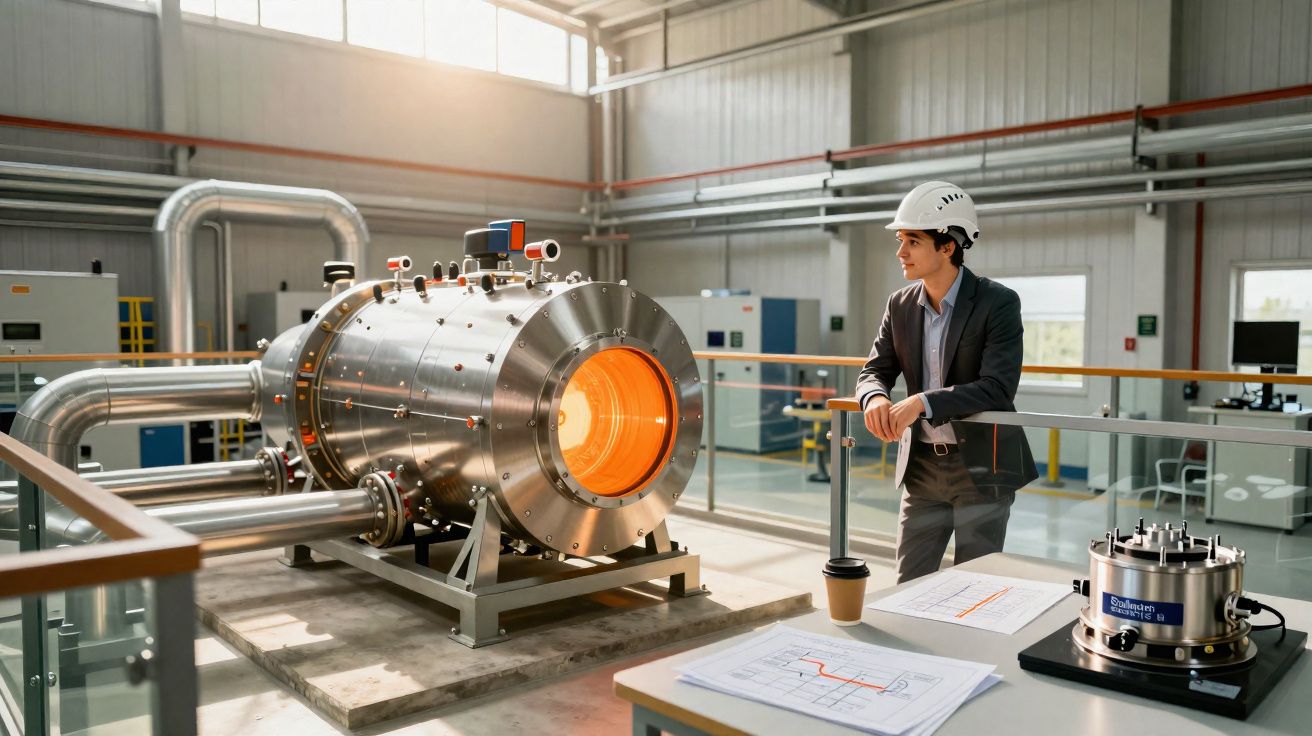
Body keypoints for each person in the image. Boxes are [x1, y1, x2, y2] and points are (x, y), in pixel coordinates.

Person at [855, 181, 1037, 584]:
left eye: (913, 241)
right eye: (901, 240)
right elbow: (874, 370)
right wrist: (874, 400)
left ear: (947, 246)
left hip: (981, 467)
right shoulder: (899, 304)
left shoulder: (997, 303)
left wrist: (921, 402)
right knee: (908, 586)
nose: (900, 252)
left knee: (974, 590)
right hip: (921, 471)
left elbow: (997, 387)